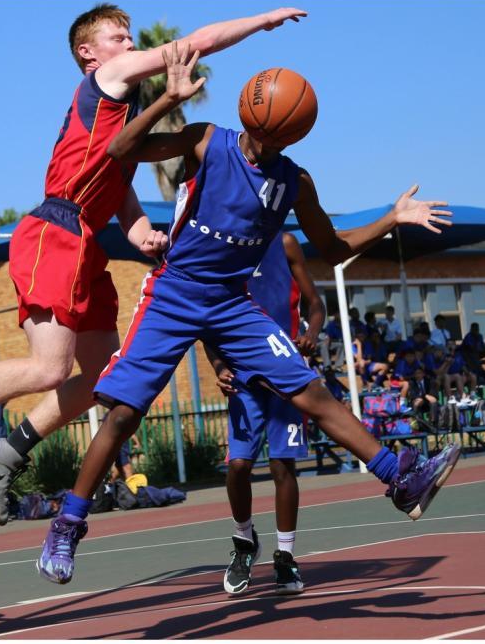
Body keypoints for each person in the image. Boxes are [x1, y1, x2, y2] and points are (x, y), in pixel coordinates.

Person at [33, 45, 460, 584]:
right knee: (122, 413)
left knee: (311, 392)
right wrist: (168, 98)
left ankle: (398, 480)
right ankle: (68, 524)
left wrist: (392, 218)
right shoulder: (206, 140)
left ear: (294, 133)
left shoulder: (294, 182)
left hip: (232, 303)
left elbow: (333, 248)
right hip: (174, 292)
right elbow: (119, 150)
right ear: (250, 111)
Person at [0, 3, 309, 522]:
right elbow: (195, 43)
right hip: (56, 229)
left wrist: (144, 234)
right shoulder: (106, 79)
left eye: (131, 37)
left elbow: (121, 195)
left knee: (104, 377)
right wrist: (262, 21)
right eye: (119, 37)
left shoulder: (123, 117)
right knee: (50, 367)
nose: (129, 44)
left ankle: (10, 449)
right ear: (89, 53)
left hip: (87, 240)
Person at [206, 230, 324, 596]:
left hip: (285, 370)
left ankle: (285, 558)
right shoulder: (221, 246)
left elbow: (316, 304)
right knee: (238, 466)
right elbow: (207, 319)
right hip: (243, 374)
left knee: (281, 466)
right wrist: (218, 365)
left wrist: (312, 333)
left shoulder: (285, 243)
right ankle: (245, 542)